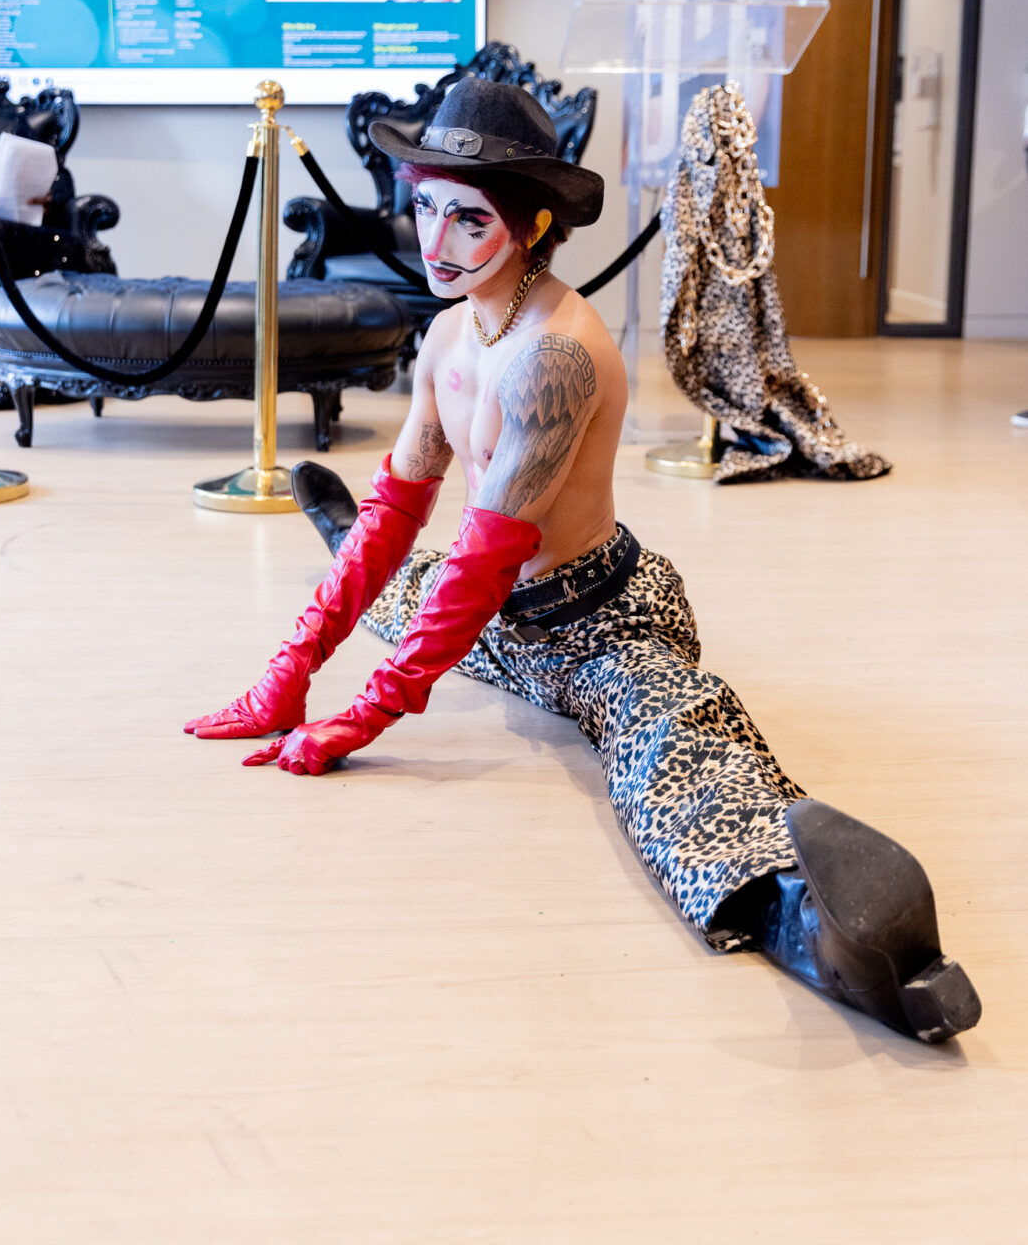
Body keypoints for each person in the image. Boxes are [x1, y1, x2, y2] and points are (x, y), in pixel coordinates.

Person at [185, 78, 981, 1046]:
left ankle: (824, 930)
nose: (434, 240)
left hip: (597, 618)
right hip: (496, 611)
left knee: (664, 734)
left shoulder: (550, 357)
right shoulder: (449, 331)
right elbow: (404, 506)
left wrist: (362, 717)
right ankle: (336, 533)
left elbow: (484, 561)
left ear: (531, 226)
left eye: (468, 218)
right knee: (393, 563)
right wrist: (288, 673)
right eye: (425, 205)